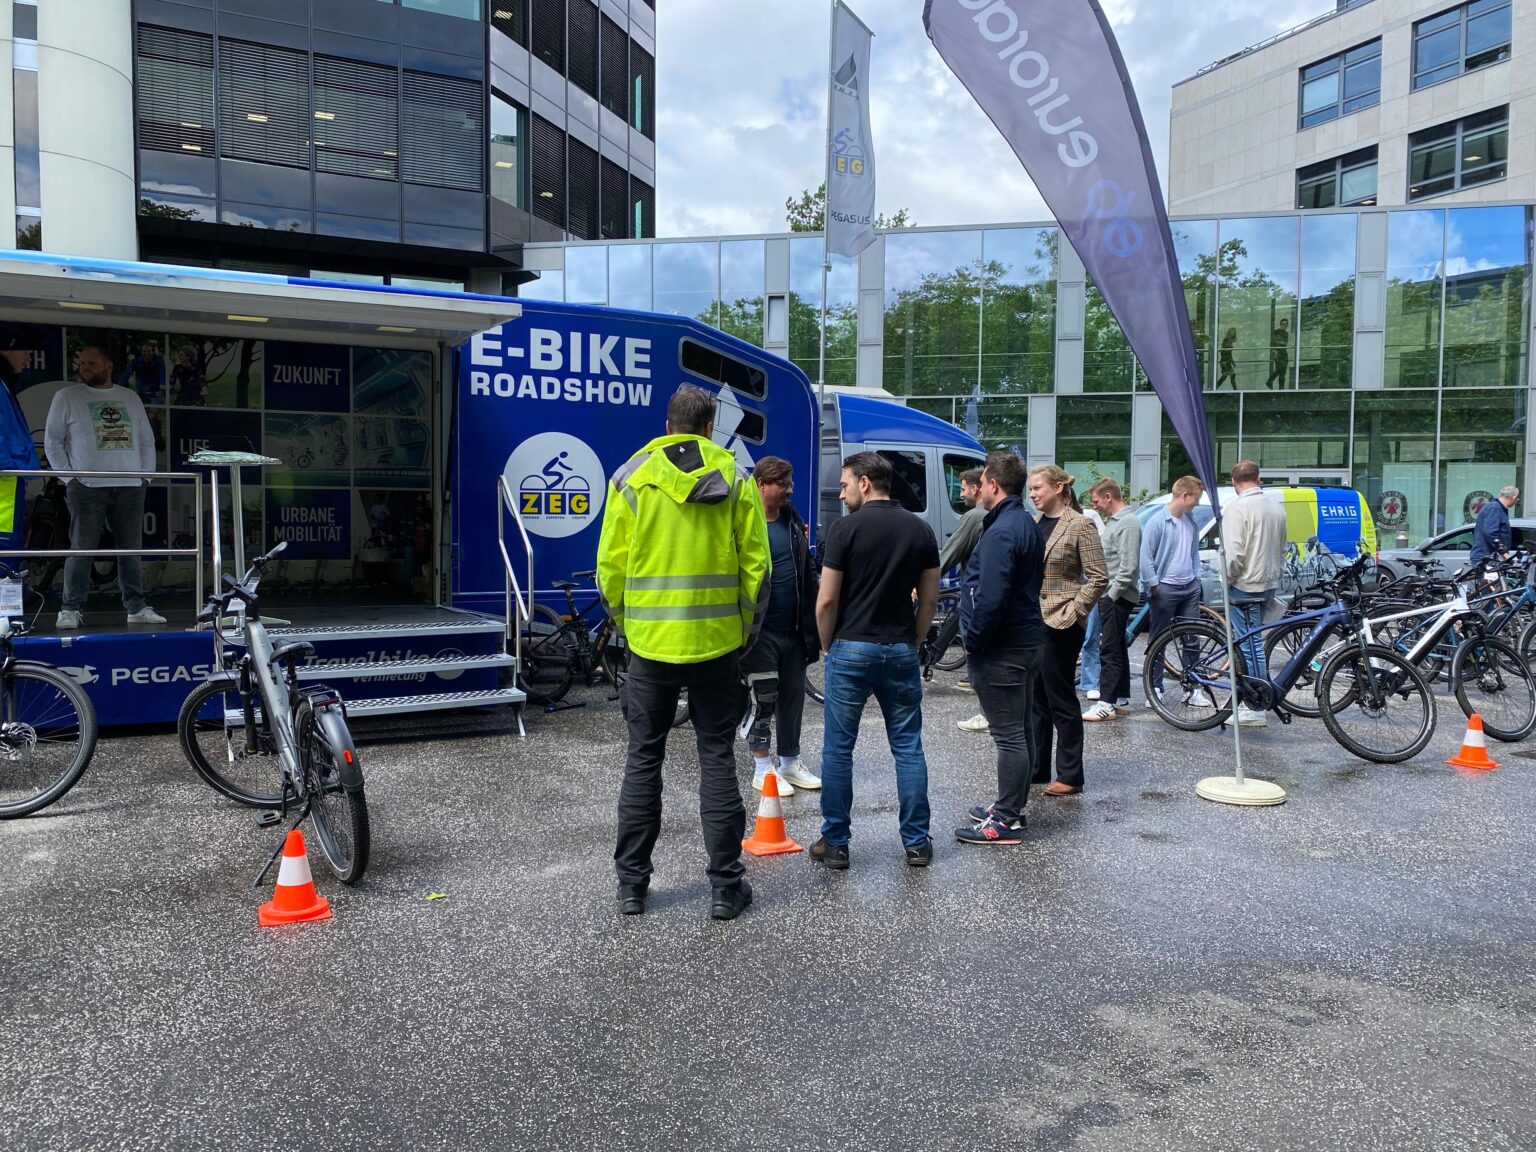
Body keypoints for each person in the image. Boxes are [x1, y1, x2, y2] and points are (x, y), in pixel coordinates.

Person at [596, 385, 770, 921]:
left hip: (650, 648)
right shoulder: (738, 477)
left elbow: (610, 572)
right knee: (716, 756)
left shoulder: (630, 478)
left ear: (668, 423)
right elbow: (757, 571)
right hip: (717, 648)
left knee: (643, 759)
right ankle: (724, 887)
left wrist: (629, 626)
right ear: (711, 424)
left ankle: (632, 887)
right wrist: (744, 630)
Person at [812, 451, 940, 870]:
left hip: (850, 647)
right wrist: (915, 641)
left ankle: (836, 844)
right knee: (907, 747)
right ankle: (917, 843)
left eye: (846, 483)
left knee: (838, 750)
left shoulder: (844, 530)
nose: (843, 490)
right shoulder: (921, 531)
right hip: (900, 649)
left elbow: (826, 599)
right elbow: (930, 600)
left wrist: (829, 645)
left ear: (865, 483)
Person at [953, 452, 1044, 846]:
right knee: (1020, 731)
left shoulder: (1004, 529)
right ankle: (1012, 808)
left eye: (982, 481)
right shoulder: (1021, 521)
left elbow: (989, 596)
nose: (977, 488)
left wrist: (973, 641)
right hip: (1024, 641)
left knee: (1010, 735)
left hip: (1003, 647)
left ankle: (1006, 819)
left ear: (992, 484)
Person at [43, 346, 165, 628]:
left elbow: (146, 440)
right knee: (82, 548)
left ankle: (136, 607)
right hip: (87, 486)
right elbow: (53, 441)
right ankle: (71, 608)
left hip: (130, 486)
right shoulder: (67, 396)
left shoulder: (129, 397)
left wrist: (145, 477)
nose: (85, 367)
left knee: (130, 550)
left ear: (108, 365)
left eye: (92, 362)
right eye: (82, 362)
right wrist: (69, 478)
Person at [740, 455, 822, 795]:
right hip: (760, 633)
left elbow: (807, 569)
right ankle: (762, 767)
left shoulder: (791, 519)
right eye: (782, 485)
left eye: (790, 484)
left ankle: (789, 762)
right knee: (763, 699)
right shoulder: (746, 521)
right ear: (762, 484)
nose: (790, 490)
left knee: (793, 699)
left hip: (795, 630)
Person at [1025, 466, 1106, 797]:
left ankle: (1071, 775)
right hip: (1033, 620)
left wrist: (1075, 612)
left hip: (1061, 622)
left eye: (1038, 488)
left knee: (1059, 698)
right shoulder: (1033, 524)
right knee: (1036, 698)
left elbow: (1099, 576)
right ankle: (1038, 767)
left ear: (1059, 487)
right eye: (1030, 489)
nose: (1032, 494)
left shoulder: (1079, 524)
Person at [1223, 460, 1288, 728]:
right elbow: (1283, 545)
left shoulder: (1237, 508)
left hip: (1245, 585)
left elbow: (1233, 554)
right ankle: (1258, 699)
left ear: (1234, 482)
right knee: (1255, 642)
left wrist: (1228, 580)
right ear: (1258, 478)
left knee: (1250, 647)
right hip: (1269, 581)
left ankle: (1257, 705)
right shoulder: (1276, 507)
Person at [1140, 476, 1206, 708]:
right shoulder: (1158, 521)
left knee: (1191, 638)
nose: (1196, 503)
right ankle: (1155, 687)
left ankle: (1193, 688)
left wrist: (1196, 577)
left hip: (1189, 586)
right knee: (1159, 639)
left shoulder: (1191, 521)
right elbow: (1146, 556)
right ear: (1184, 495)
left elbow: (1194, 552)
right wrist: (1154, 584)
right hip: (1165, 588)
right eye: (1195, 499)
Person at [1083, 478, 1141, 723]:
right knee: (1116, 647)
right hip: (1114, 594)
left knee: (1110, 650)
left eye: (1096, 500)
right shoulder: (1119, 522)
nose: (1094, 506)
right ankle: (1120, 698)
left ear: (1109, 496)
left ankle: (1106, 703)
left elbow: (1128, 567)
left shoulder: (1127, 523)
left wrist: (1110, 596)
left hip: (1116, 596)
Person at [939, 467, 988, 720]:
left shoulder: (973, 517)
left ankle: (985, 714)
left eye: (963, 488)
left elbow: (947, 556)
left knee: (976, 653)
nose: (962, 493)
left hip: (974, 594)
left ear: (976, 488)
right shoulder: (1001, 513)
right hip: (992, 595)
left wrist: (921, 580)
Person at [1076, 503, 1106, 700]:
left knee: (1090, 636)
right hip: (1072, 584)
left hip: (1087, 581)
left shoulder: (1089, 516)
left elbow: (1102, 546)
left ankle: (1090, 682)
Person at [1470, 486, 1519, 566]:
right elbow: (1490, 532)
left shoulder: (1497, 507)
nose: (1517, 501)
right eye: (1517, 499)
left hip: (1490, 556)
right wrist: (1504, 553)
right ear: (1514, 497)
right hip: (1487, 557)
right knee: (1489, 578)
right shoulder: (1495, 507)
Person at [1264, 317, 1290, 389]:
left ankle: (1281, 388)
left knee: (1283, 372)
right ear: (1280, 324)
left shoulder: (1286, 333)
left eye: (1286, 324)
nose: (1284, 325)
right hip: (1278, 353)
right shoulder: (1276, 332)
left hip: (1284, 354)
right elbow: (1273, 343)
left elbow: (1284, 343)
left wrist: (1280, 343)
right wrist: (1274, 352)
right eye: (1283, 323)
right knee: (1279, 369)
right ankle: (1269, 382)